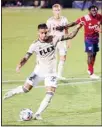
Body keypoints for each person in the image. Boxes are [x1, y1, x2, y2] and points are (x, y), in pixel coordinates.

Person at [3, 23, 83, 120]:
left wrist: (78, 27)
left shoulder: (54, 38)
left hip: (51, 73)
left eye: (46, 32)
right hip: (38, 72)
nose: (44, 35)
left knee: (50, 94)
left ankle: (38, 114)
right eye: (42, 33)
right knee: (25, 90)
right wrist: (20, 65)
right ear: (38, 33)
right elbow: (26, 57)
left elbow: (70, 35)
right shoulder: (35, 45)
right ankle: (12, 93)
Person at [56, 5, 102, 79]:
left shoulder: (99, 17)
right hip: (88, 39)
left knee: (94, 54)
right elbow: (74, 23)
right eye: (92, 10)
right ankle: (91, 72)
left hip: (96, 39)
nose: (94, 12)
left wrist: (100, 30)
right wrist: (63, 27)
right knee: (90, 54)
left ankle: (89, 68)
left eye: (95, 10)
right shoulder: (85, 18)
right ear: (89, 11)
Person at [46, 4, 70, 80]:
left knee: (63, 57)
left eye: (58, 10)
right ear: (53, 11)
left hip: (62, 41)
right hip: (53, 42)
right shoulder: (49, 21)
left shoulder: (64, 19)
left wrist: (69, 41)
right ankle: (52, 74)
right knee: (53, 59)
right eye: (56, 10)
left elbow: (66, 31)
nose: (57, 12)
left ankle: (59, 75)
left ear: (60, 10)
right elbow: (47, 32)